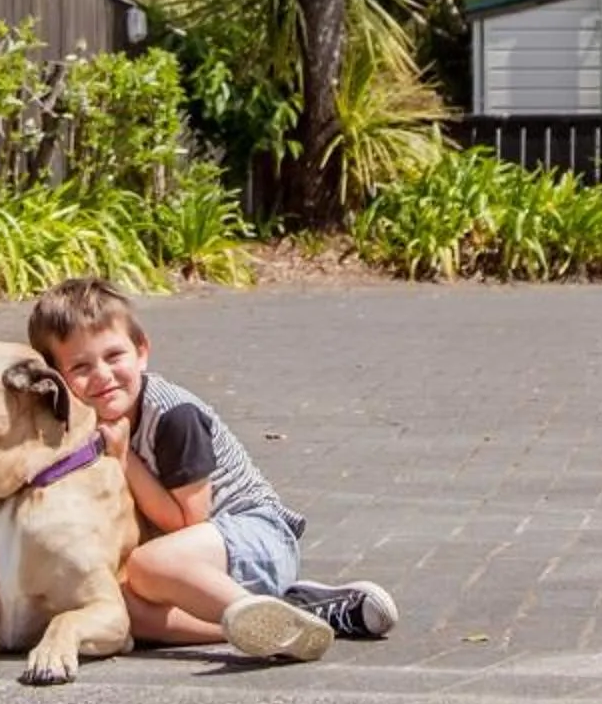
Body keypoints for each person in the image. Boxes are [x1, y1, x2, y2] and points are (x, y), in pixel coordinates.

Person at [26, 276, 398, 662]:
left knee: (147, 564)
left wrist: (124, 460)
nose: (102, 375)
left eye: (114, 356)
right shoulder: (84, 424)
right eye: (80, 366)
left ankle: (266, 615)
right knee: (118, 609)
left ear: (142, 352)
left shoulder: (174, 416)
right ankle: (287, 622)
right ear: (58, 377)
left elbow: (187, 523)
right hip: (196, 568)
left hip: (257, 534)